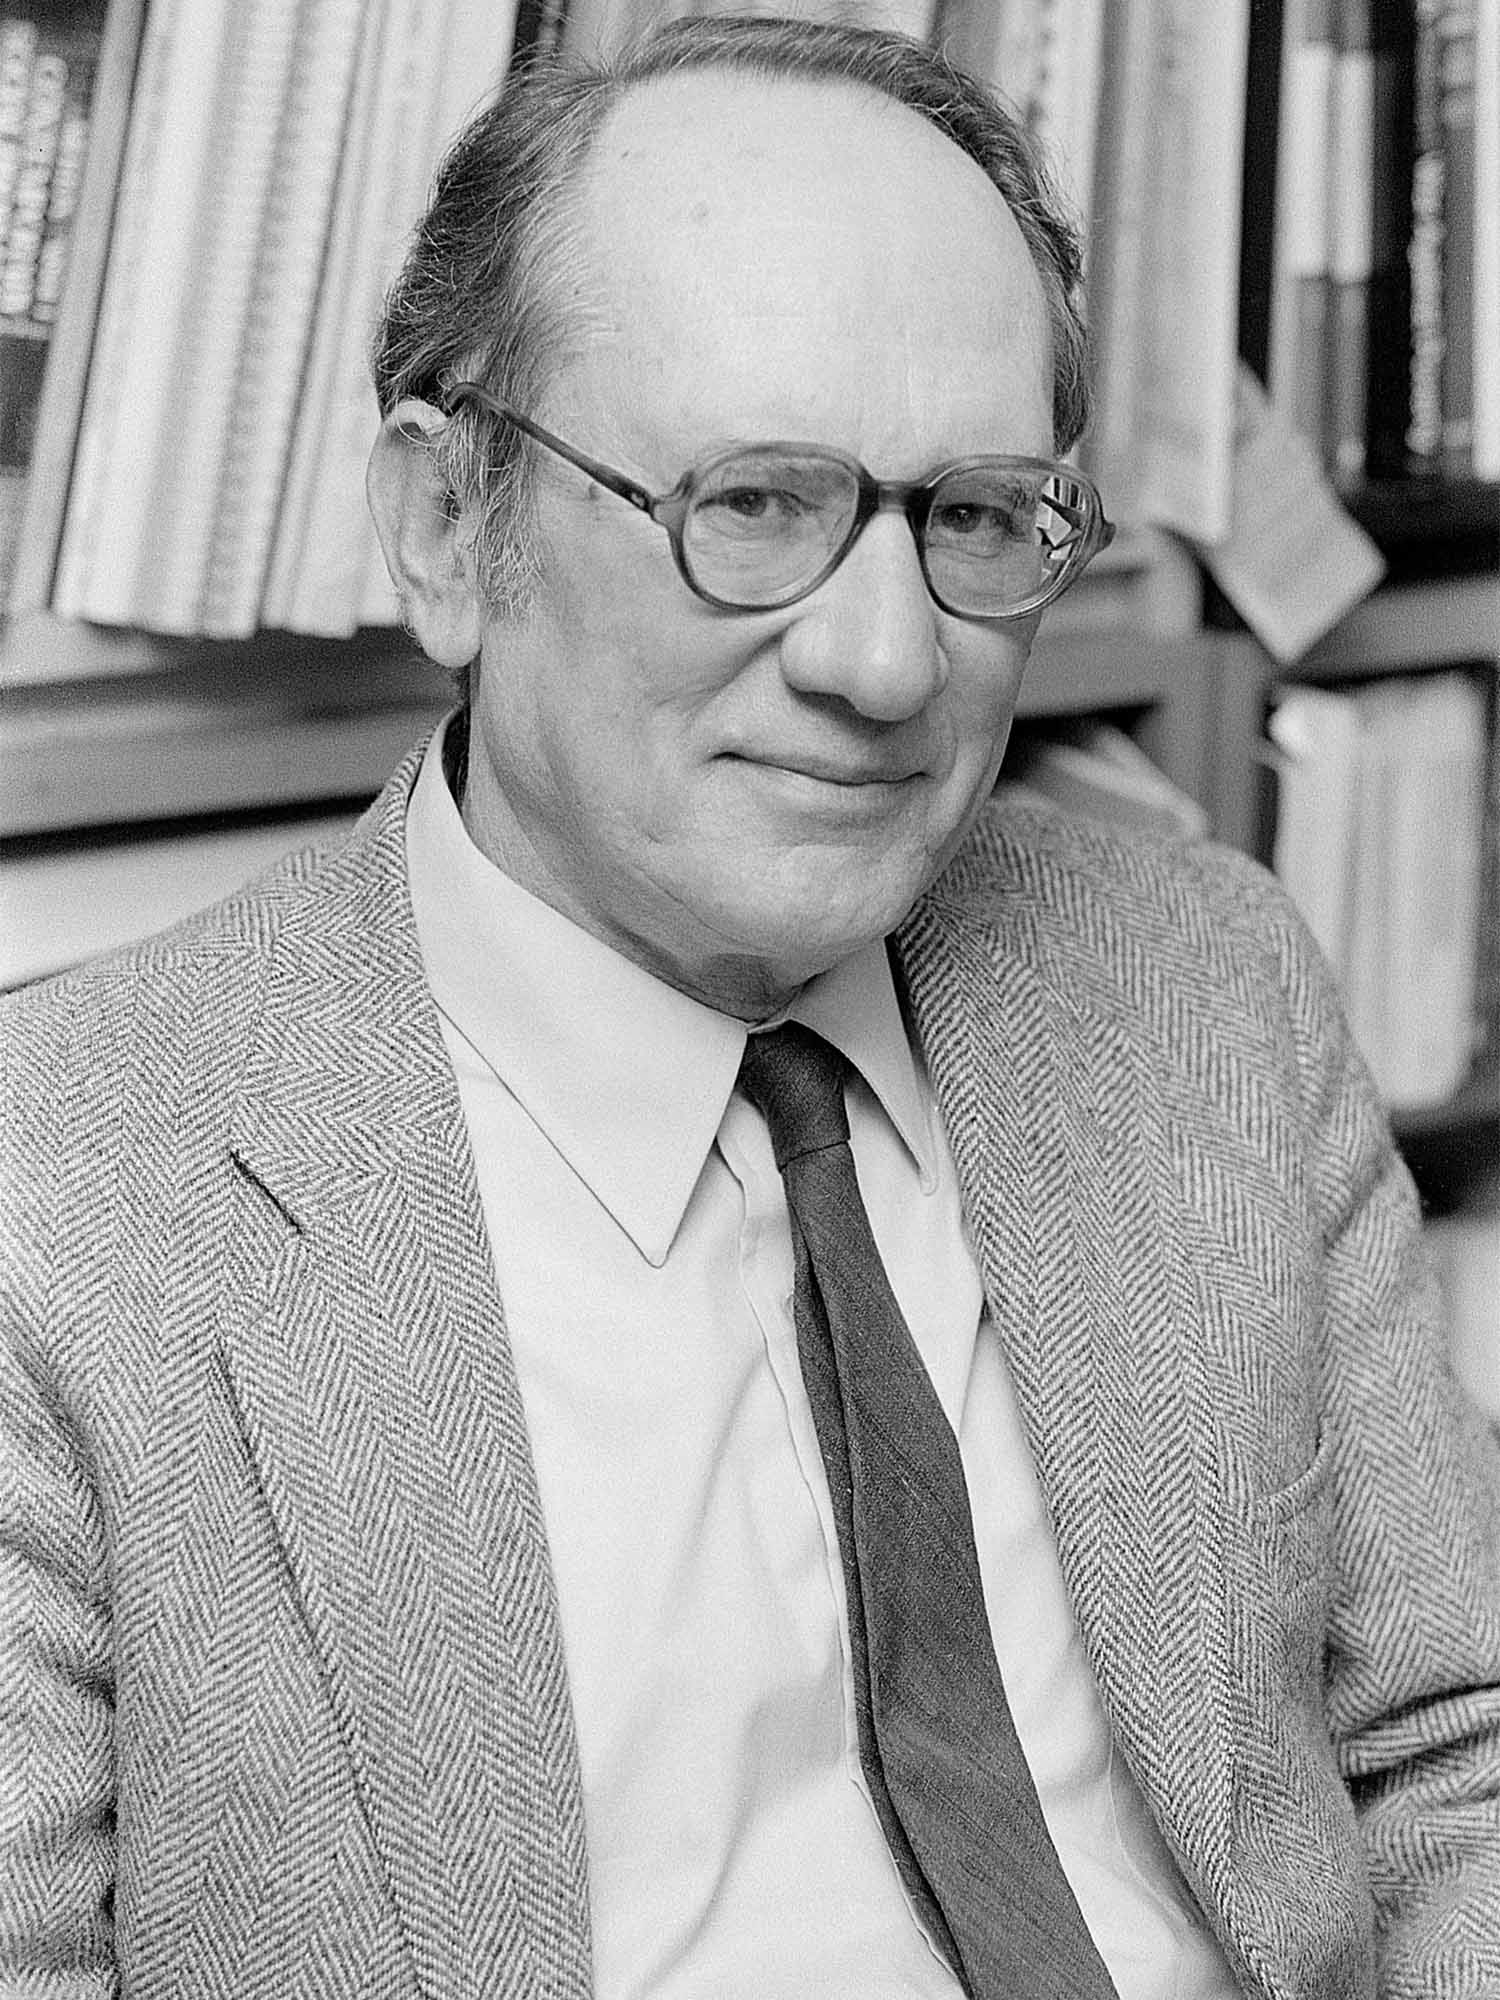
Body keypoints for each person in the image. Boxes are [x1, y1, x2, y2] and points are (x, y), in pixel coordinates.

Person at [3, 14, 1498, 1998]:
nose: (886, 664)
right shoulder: (57, 1203)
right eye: (753, 504)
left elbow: (1452, 1758)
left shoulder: (1200, 982)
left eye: (972, 518)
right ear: (451, 528)